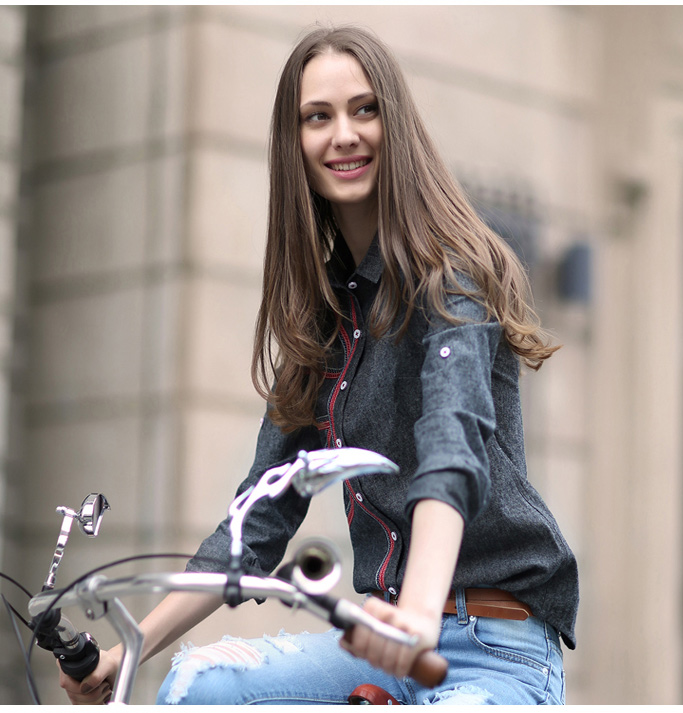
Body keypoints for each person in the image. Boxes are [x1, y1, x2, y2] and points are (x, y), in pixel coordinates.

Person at [60, 24, 578, 706]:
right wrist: (127, 652)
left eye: (365, 110)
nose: (345, 135)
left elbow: (453, 447)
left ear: (396, 124)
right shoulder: (328, 318)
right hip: (382, 640)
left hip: (496, 648)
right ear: (295, 142)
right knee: (201, 683)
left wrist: (420, 613)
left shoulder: (454, 273)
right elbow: (258, 517)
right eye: (318, 117)